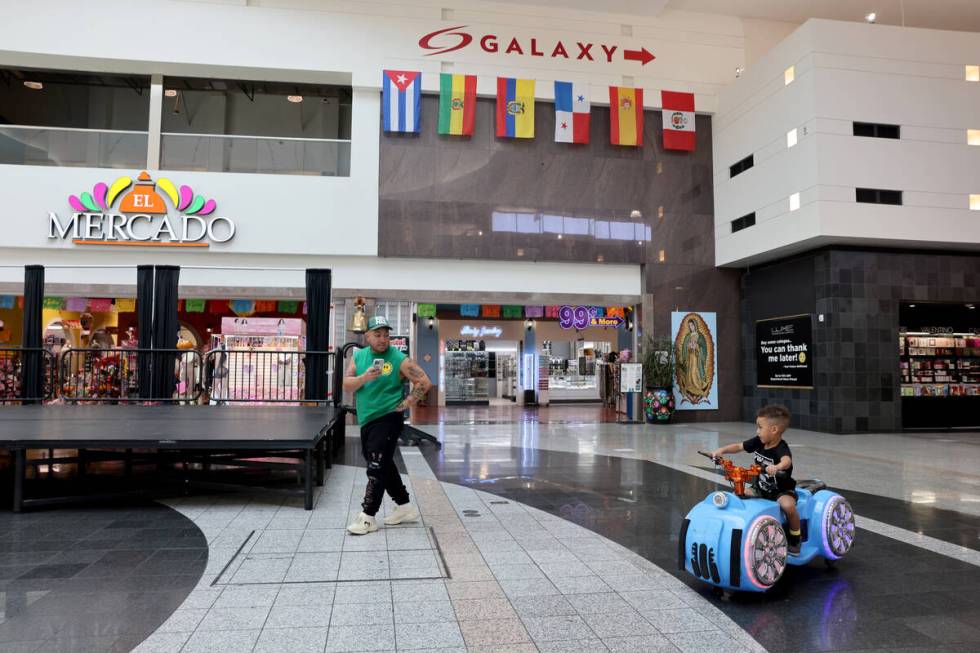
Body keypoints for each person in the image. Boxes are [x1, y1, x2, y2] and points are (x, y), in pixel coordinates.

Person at [344, 315, 432, 535]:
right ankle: (404, 507)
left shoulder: (398, 358)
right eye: (378, 334)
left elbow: (423, 381)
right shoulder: (359, 357)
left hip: (388, 417)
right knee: (382, 463)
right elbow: (346, 385)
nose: (383, 339)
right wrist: (364, 378)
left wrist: (406, 403)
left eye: (386, 335)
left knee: (376, 466)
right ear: (367, 336)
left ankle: (368, 517)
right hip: (367, 419)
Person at [711, 404, 802, 555]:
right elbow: (739, 446)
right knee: (737, 494)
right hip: (760, 487)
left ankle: (795, 536)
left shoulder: (781, 448)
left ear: (774, 430)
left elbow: (787, 461)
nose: (757, 431)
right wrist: (721, 450)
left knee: (788, 506)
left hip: (781, 490)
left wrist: (778, 467)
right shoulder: (759, 441)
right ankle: (735, 532)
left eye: (760, 427)